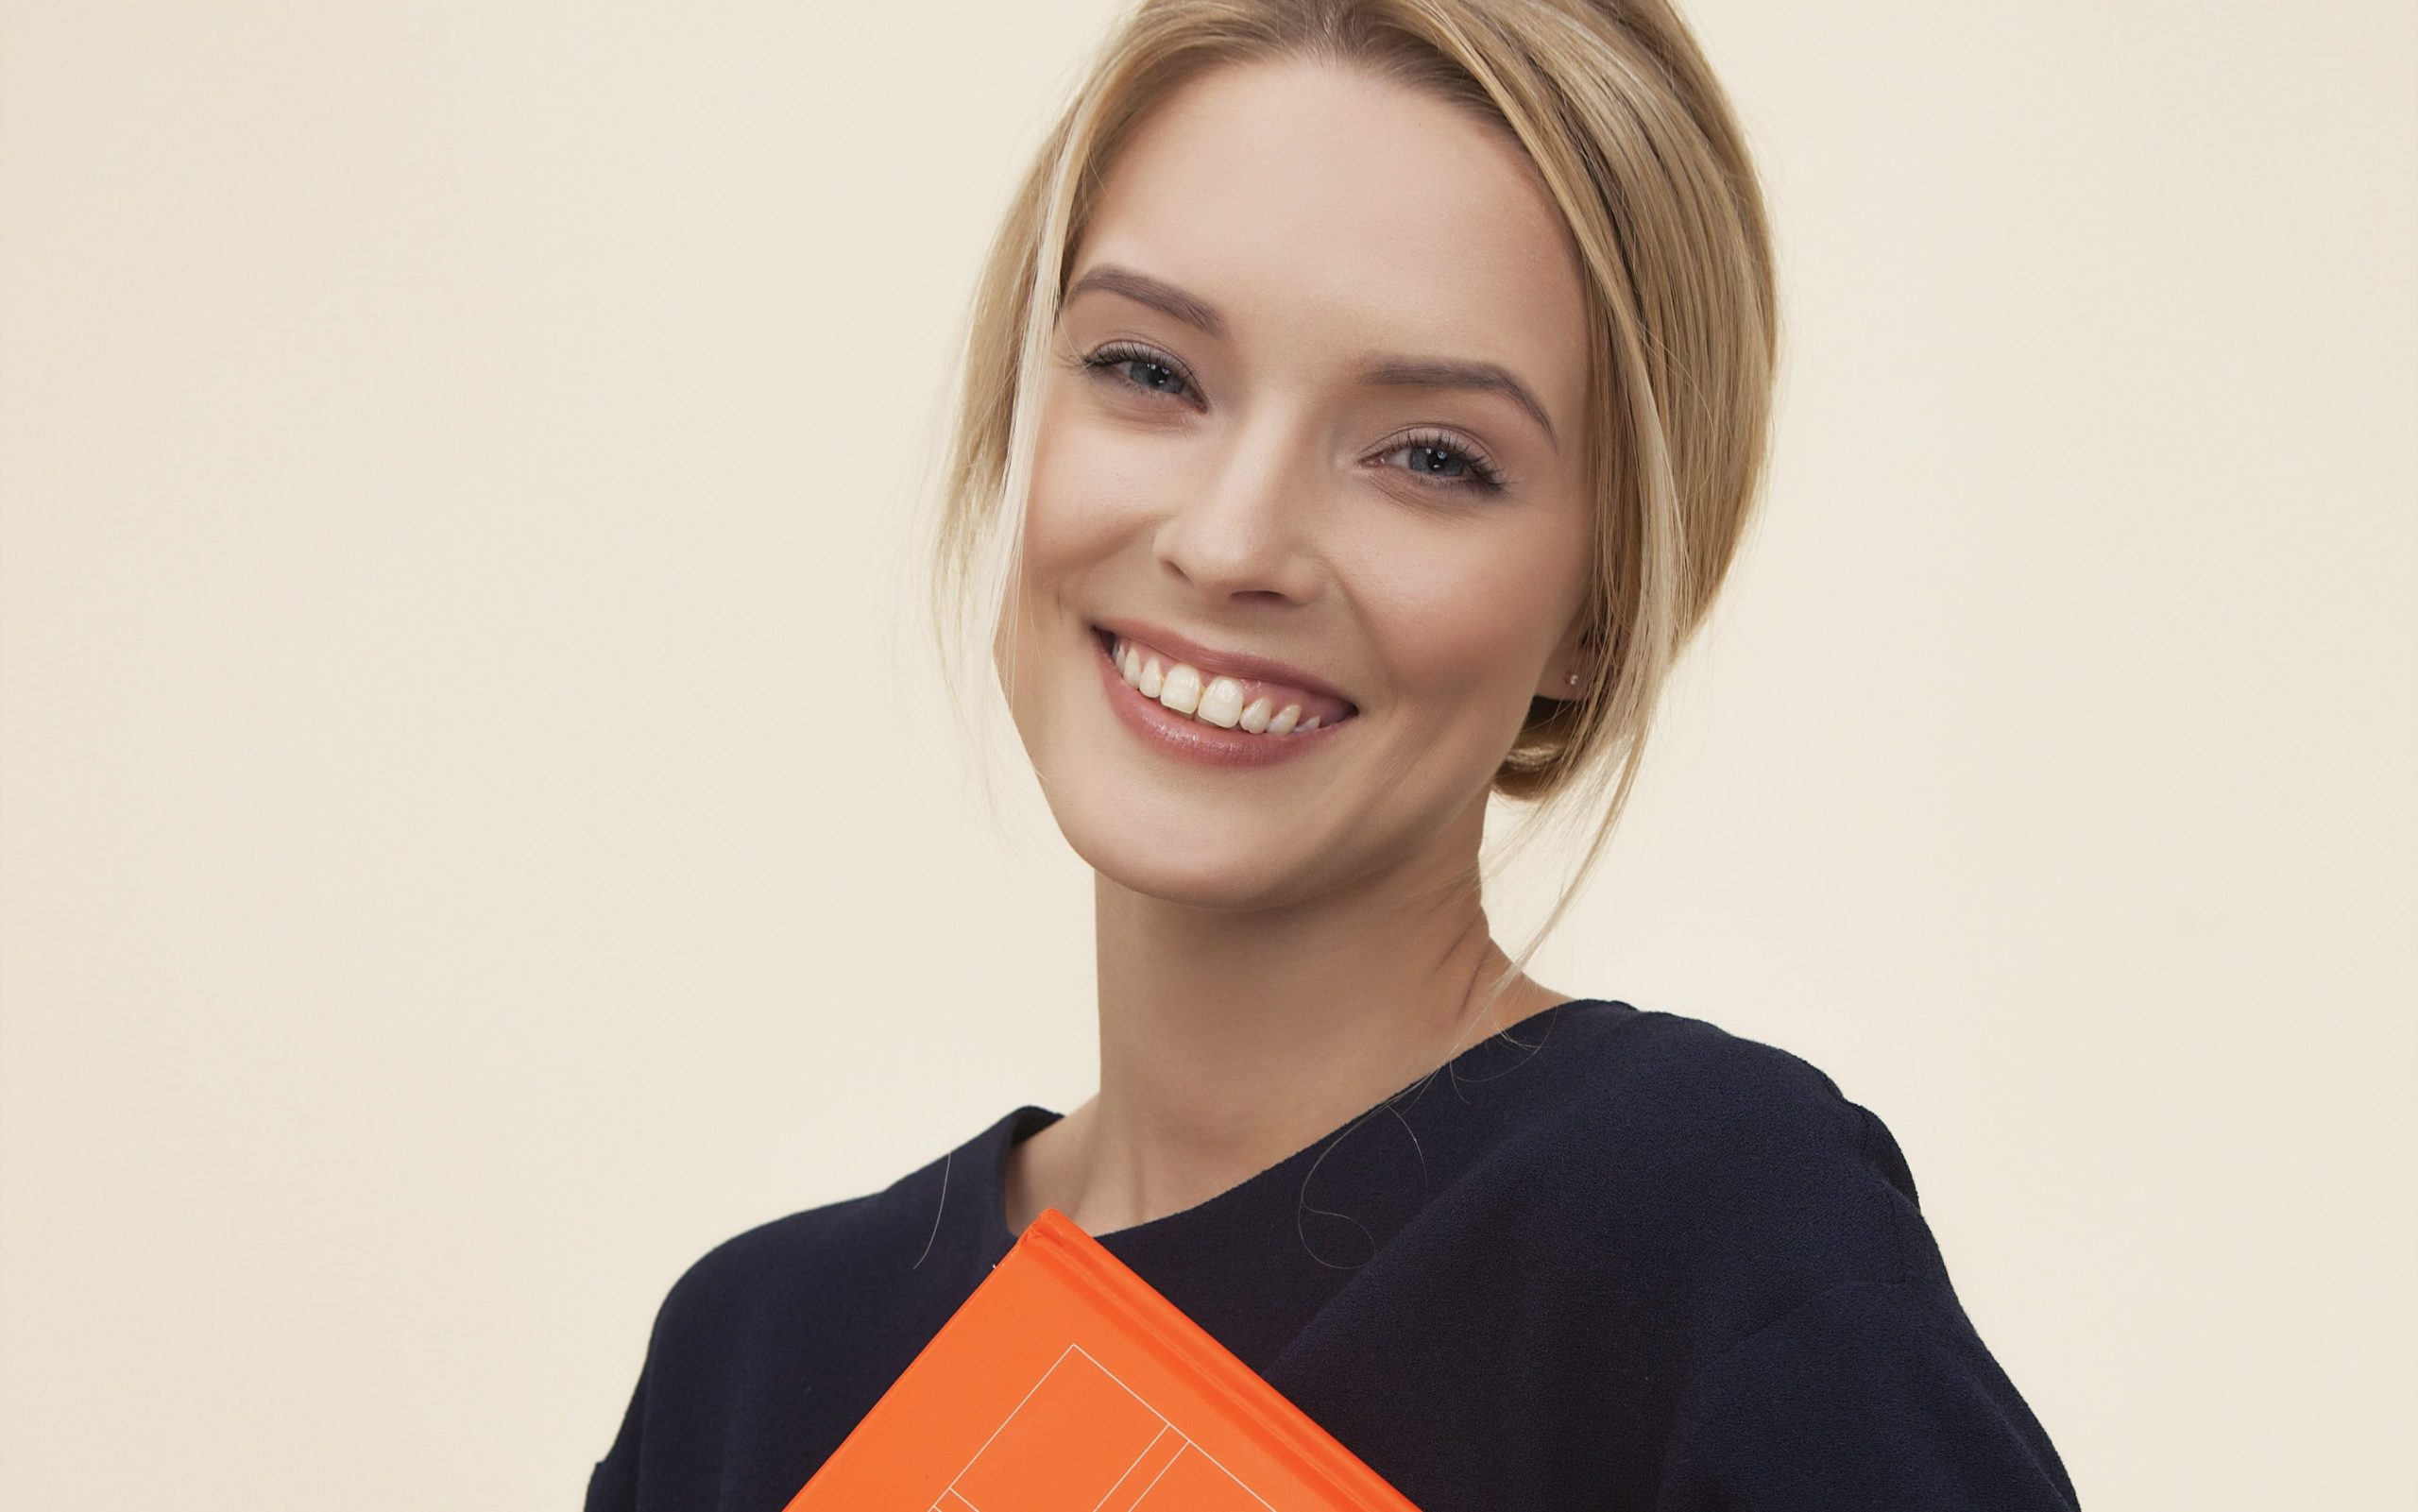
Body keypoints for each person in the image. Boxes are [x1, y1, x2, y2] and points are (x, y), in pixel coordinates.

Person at [585, 1, 2082, 1506]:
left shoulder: (1708, 1239)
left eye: (1432, 455)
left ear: (1602, 605)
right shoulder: (755, 1358)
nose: (1233, 541)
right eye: (1149, 371)